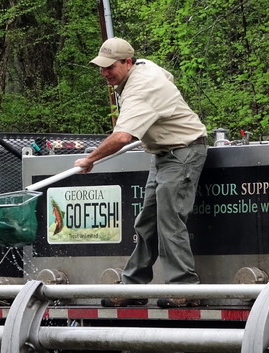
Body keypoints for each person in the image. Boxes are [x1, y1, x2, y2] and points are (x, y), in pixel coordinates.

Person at [74, 37, 207, 308]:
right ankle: (133, 286)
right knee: (146, 221)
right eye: (101, 67)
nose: (104, 73)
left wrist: (90, 159)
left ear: (127, 62)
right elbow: (167, 76)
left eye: (110, 67)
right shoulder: (145, 67)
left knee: (169, 220)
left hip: (183, 152)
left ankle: (185, 287)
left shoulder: (141, 87)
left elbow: (122, 137)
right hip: (162, 153)